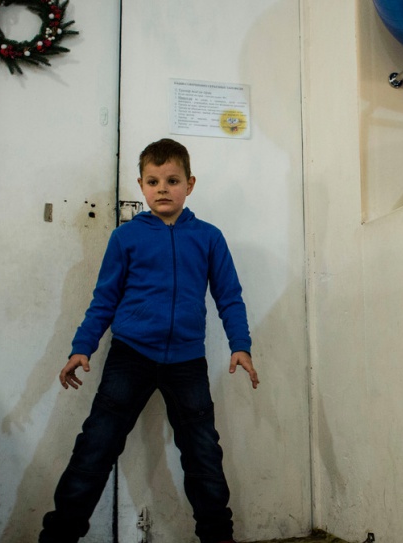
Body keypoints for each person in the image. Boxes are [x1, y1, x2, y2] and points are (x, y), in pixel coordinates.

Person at [39, 138, 259, 543]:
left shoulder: (209, 237)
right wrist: (81, 348)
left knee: (204, 457)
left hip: (187, 362)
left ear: (189, 185)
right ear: (140, 185)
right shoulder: (125, 238)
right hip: (130, 357)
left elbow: (229, 296)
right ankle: (58, 536)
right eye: (153, 180)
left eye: (172, 180)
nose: (163, 188)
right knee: (95, 450)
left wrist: (240, 345)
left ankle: (218, 537)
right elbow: (104, 300)